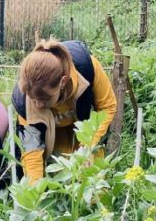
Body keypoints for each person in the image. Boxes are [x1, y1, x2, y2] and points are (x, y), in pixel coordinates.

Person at [12, 39, 117, 183]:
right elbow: (32, 152)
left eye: (44, 99)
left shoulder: (86, 68)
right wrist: (35, 193)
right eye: (33, 98)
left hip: (86, 127)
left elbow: (107, 106)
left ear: (62, 82)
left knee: (92, 178)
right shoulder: (23, 100)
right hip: (52, 132)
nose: (38, 105)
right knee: (59, 177)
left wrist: (89, 145)